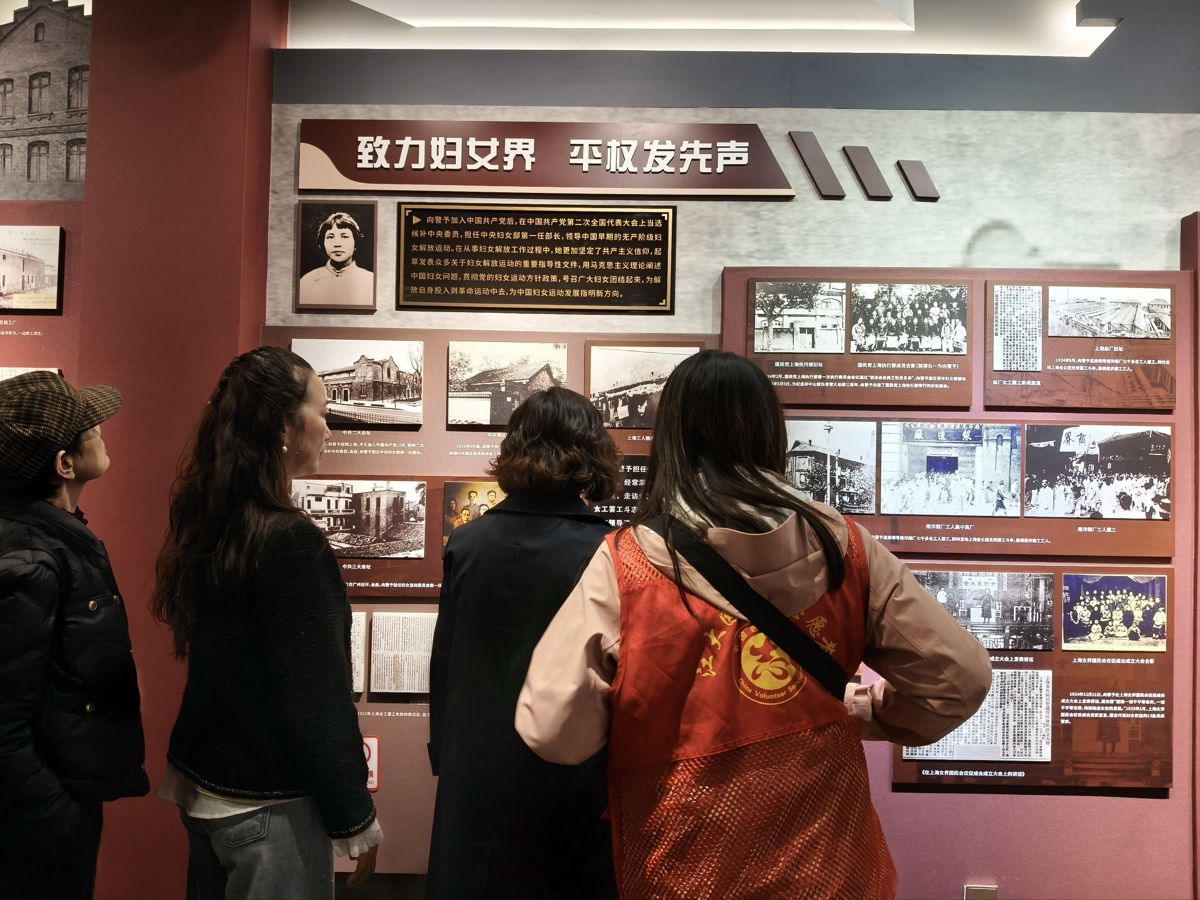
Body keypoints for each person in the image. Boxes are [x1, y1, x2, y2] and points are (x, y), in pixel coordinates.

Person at [516, 350, 992, 899]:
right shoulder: (846, 547)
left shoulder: (628, 563)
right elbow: (960, 679)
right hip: (832, 868)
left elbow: (553, 730)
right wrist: (869, 710)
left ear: (671, 436)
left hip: (686, 870)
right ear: (770, 430)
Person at [151, 346, 381, 899]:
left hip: (206, 785)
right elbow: (315, 694)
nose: (329, 428)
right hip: (269, 804)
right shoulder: (290, 540)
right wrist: (354, 816)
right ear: (283, 426)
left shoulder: (217, 518)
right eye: (321, 412)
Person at [428, 386, 622, 900]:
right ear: (592, 450)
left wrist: (444, 753)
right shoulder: (607, 551)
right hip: (570, 771)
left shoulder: (466, 542)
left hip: (474, 769)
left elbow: (444, 661)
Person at [0, 371, 148, 900]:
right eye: (91, 427)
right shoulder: (31, 559)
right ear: (64, 464)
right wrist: (53, 811)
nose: (102, 430)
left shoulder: (51, 540)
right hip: (36, 823)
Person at [297, 212, 374, 309]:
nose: (337, 244)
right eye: (330, 237)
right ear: (322, 244)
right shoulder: (307, 281)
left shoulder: (370, 281)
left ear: (356, 243)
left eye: (344, 237)